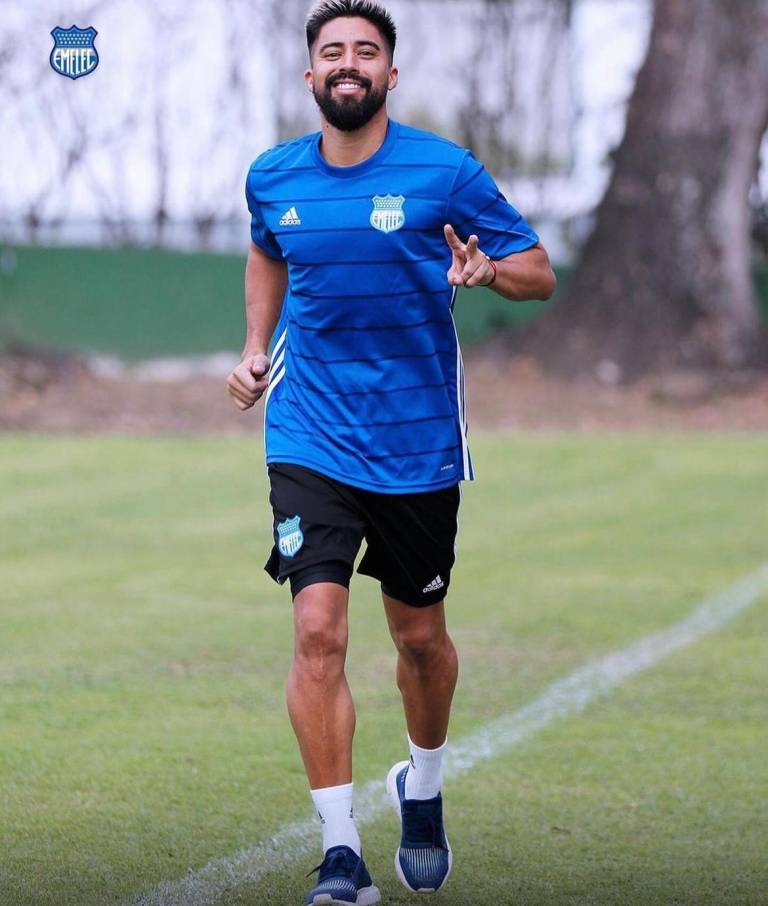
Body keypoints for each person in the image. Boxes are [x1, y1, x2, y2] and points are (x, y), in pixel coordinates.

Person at [226, 1, 556, 902]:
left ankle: (424, 786)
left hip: (416, 446)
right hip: (308, 434)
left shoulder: (444, 172)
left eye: (365, 52)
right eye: (332, 51)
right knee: (317, 629)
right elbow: (266, 252)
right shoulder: (272, 175)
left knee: (419, 642)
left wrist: (490, 270)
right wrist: (257, 349)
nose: (348, 64)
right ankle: (341, 853)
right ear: (310, 75)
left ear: (390, 74)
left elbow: (540, 269)